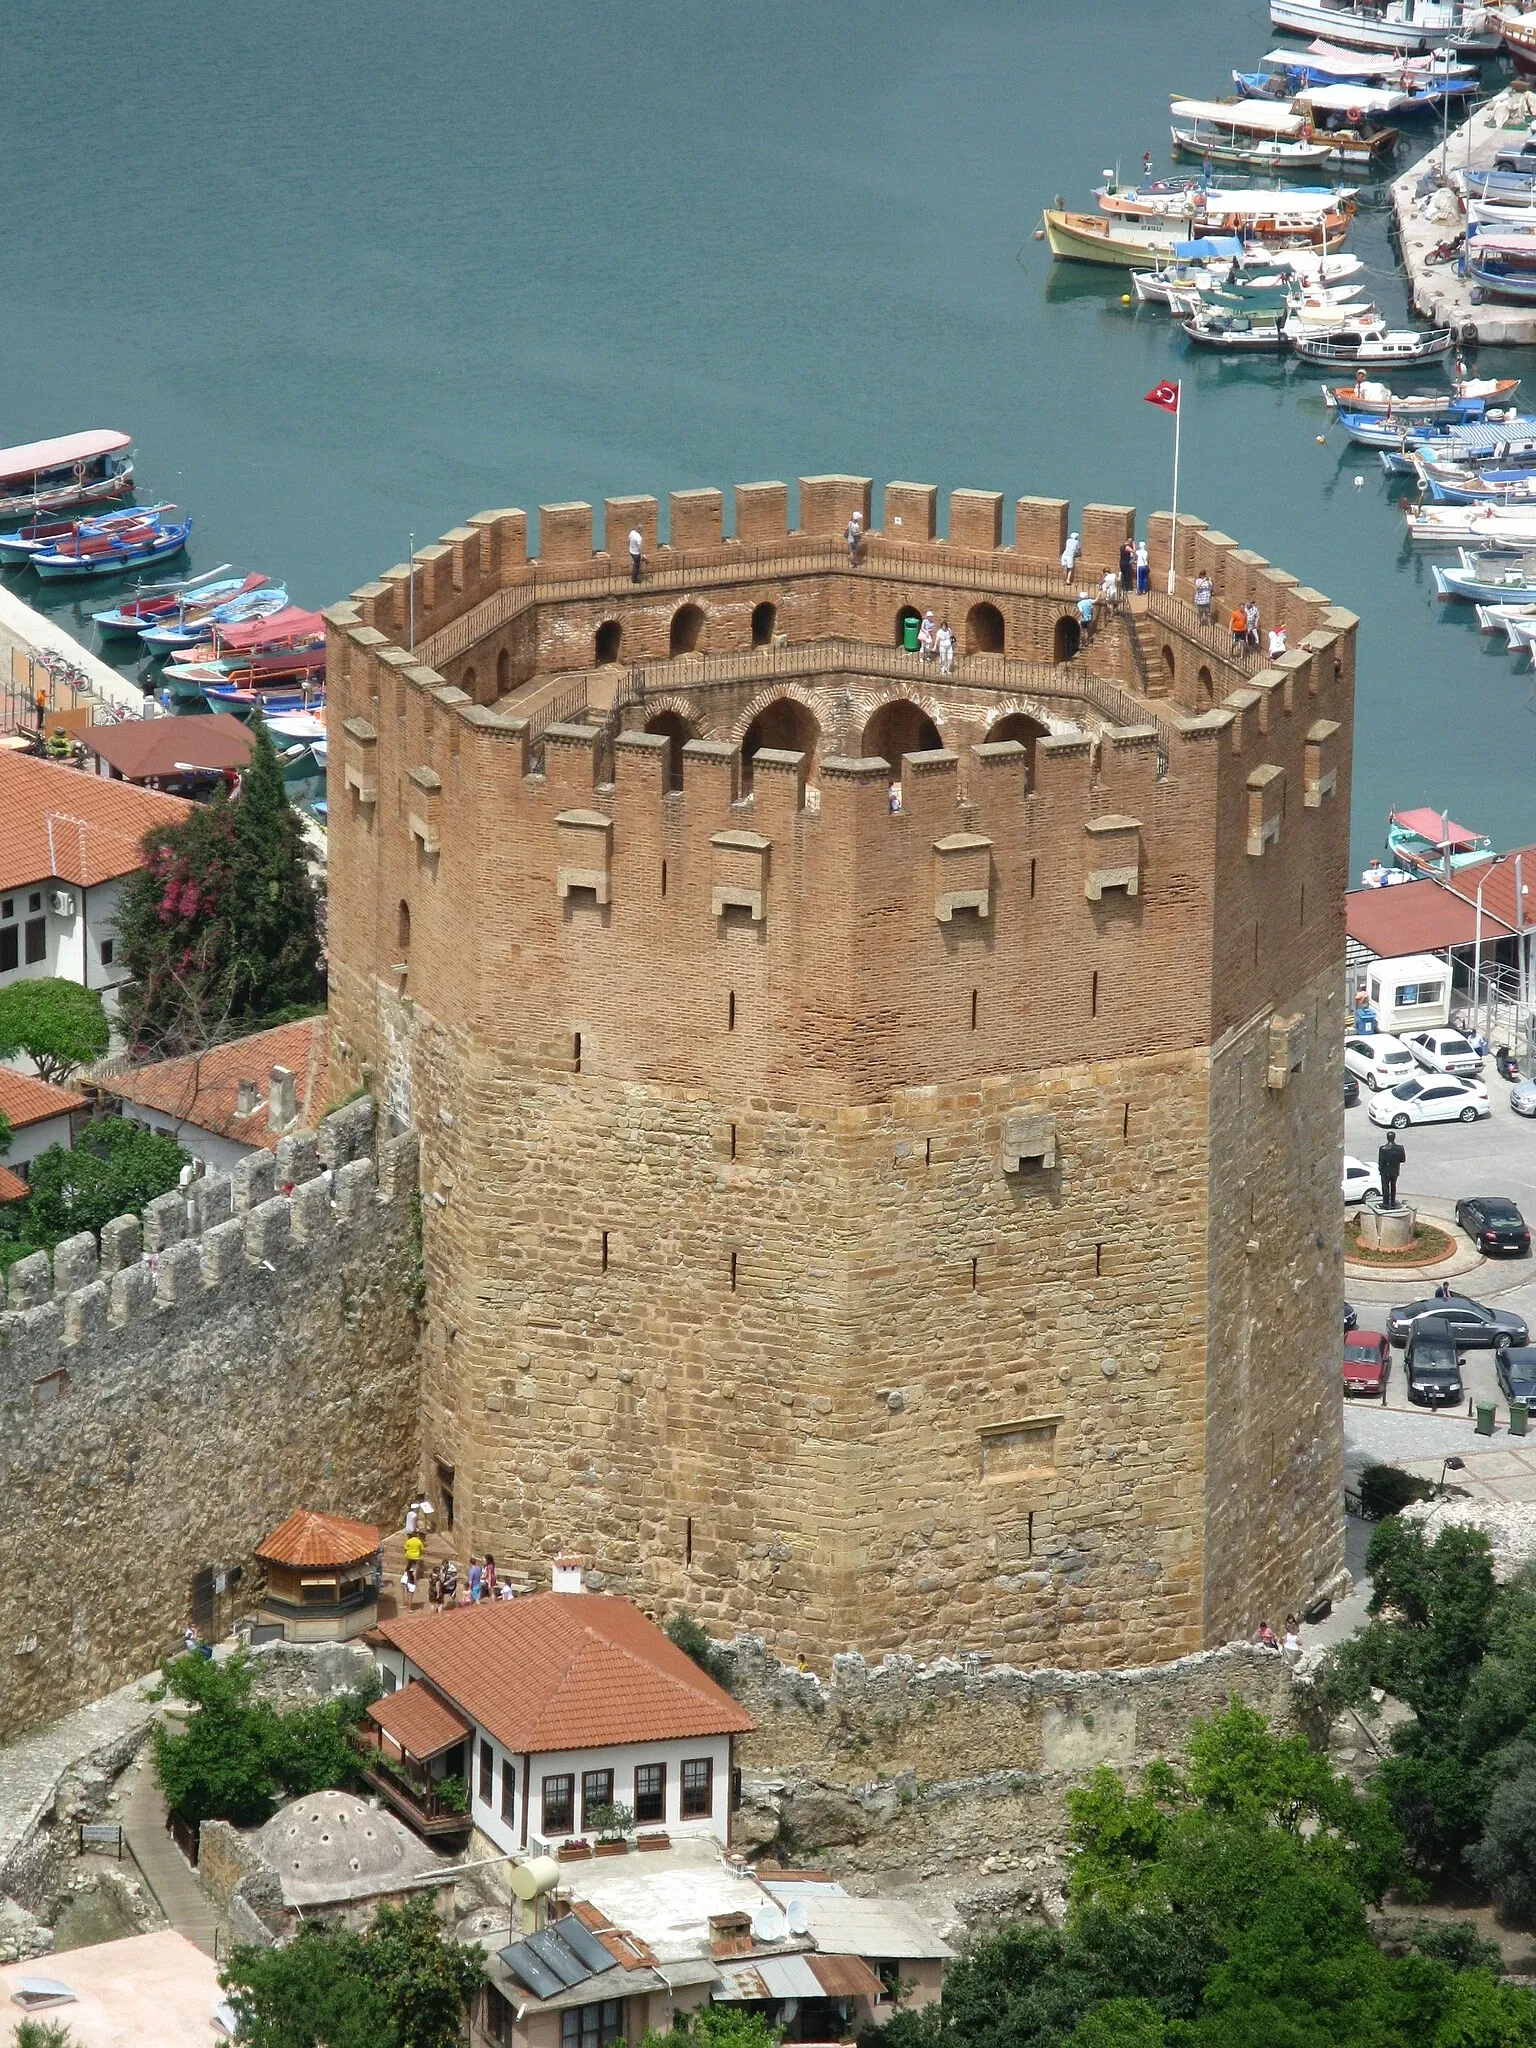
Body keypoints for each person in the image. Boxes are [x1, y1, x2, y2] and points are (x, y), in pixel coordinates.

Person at [1378, 1132, 1405, 1209]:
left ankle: (1386, 1203)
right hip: (1395, 1171)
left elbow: (1381, 1162)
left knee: (1385, 1187)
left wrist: (1380, 1170)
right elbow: (1403, 1159)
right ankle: (1392, 1202)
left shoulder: (1383, 1148)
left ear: (1387, 1138)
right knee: (1393, 1186)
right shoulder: (1400, 1148)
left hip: (1385, 1171)